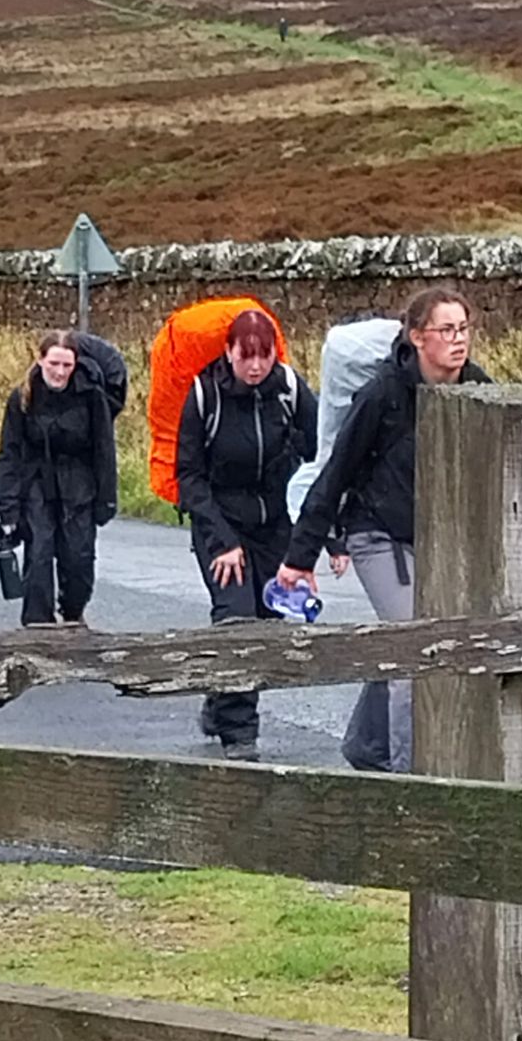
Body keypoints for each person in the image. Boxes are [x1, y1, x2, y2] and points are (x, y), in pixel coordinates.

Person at [276, 284, 489, 771]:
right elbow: (337, 471)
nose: (458, 340)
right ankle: (406, 777)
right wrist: (299, 557)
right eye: (446, 330)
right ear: (417, 337)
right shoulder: (383, 395)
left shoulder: (479, 392)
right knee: (414, 647)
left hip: (440, 542)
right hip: (378, 537)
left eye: (464, 329)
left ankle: (367, 747)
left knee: (413, 639)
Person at [175, 305, 318, 757]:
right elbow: (189, 477)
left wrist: (324, 540)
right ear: (229, 353)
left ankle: (220, 699)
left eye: (264, 356)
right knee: (237, 620)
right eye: (246, 356)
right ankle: (240, 735)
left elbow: (321, 461)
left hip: (275, 523)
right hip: (220, 521)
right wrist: (224, 542)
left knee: (271, 618)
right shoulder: (203, 397)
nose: (256, 366)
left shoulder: (291, 390)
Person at [0, 330, 119, 628]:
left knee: (79, 558)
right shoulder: (22, 397)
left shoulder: (91, 395)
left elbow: (104, 450)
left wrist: (107, 499)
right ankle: (38, 623)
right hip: (35, 483)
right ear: (40, 360)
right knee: (38, 553)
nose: (60, 372)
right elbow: (9, 453)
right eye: (54, 364)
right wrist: (8, 507)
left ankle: (73, 612)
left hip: (79, 485)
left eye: (67, 365)